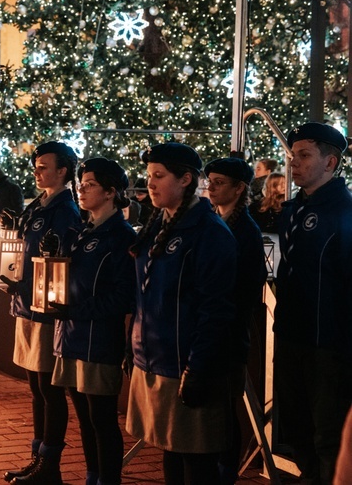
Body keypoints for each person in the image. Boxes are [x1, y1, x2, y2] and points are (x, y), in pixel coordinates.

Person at [126, 143, 237, 484]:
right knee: (170, 451)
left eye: (159, 176)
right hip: (154, 361)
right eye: (148, 176)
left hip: (184, 364)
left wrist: (197, 368)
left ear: (186, 179)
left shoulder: (209, 232)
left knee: (195, 461)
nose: (151, 184)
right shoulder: (160, 224)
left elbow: (215, 309)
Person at [273, 122, 352, 485]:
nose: (294, 163)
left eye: (305, 156)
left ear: (331, 162)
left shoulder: (343, 213)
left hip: (328, 346)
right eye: (293, 156)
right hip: (291, 336)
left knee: (328, 437)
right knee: (297, 430)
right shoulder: (293, 210)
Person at [0, 141, 81, 484]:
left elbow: (60, 263)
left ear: (63, 171)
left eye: (44, 166)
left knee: (49, 390)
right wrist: (15, 227)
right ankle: (37, 459)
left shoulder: (65, 210)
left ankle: (50, 466)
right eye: (36, 165)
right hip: (27, 305)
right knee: (35, 388)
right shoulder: (40, 205)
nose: (37, 171)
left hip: (45, 310)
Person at [51, 157, 137, 485]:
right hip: (71, 336)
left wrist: (77, 310)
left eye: (90, 185)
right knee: (85, 419)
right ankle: (92, 476)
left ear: (111, 192)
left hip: (98, 341)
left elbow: (123, 297)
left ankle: (107, 479)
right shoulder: (80, 231)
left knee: (101, 418)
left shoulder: (121, 237)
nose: (81, 190)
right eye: (81, 184)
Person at [204, 157, 267, 484]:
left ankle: (225, 472)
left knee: (226, 410)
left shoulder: (243, 231)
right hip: (215, 330)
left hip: (229, 332)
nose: (211, 187)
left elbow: (241, 291)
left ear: (239, 188)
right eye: (210, 180)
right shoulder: (216, 222)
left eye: (219, 182)